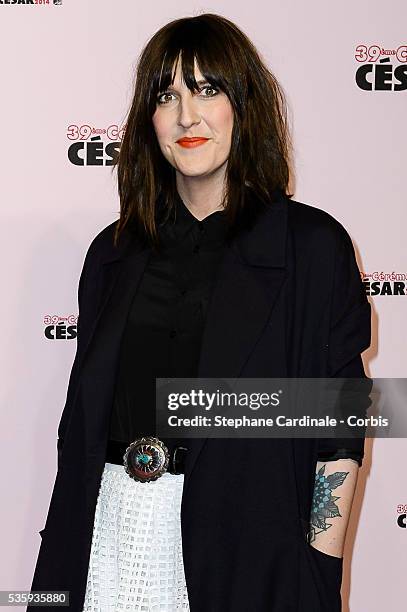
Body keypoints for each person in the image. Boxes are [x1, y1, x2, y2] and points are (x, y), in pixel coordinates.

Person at [28, 13, 372, 612]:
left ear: (243, 106)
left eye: (207, 89)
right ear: (149, 120)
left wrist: (319, 573)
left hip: (248, 556)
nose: (188, 115)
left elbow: (338, 431)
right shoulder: (113, 254)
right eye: (168, 95)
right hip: (110, 539)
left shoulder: (313, 248)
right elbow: (80, 429)